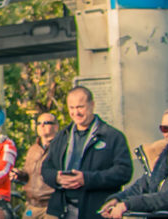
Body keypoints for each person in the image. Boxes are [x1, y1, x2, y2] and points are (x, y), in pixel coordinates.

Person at [40, 86, 131, 219]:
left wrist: (87, 179)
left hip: (96, 210)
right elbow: (45, 169)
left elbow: (124, 172)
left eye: (80, 107)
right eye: (72, 108)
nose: (76, 112)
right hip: (60, 210)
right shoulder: (62, 136)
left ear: (92, 105)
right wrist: (57, 178)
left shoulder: (112, 136)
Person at [12, 112, 60, 219]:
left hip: (51, 206)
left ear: (56, 126)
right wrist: (19, 175)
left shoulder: (61, 148)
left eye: (46, 123)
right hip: (32, 206)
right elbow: (27, 175)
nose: (41, 126)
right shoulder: (33, 149)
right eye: (39, 123)